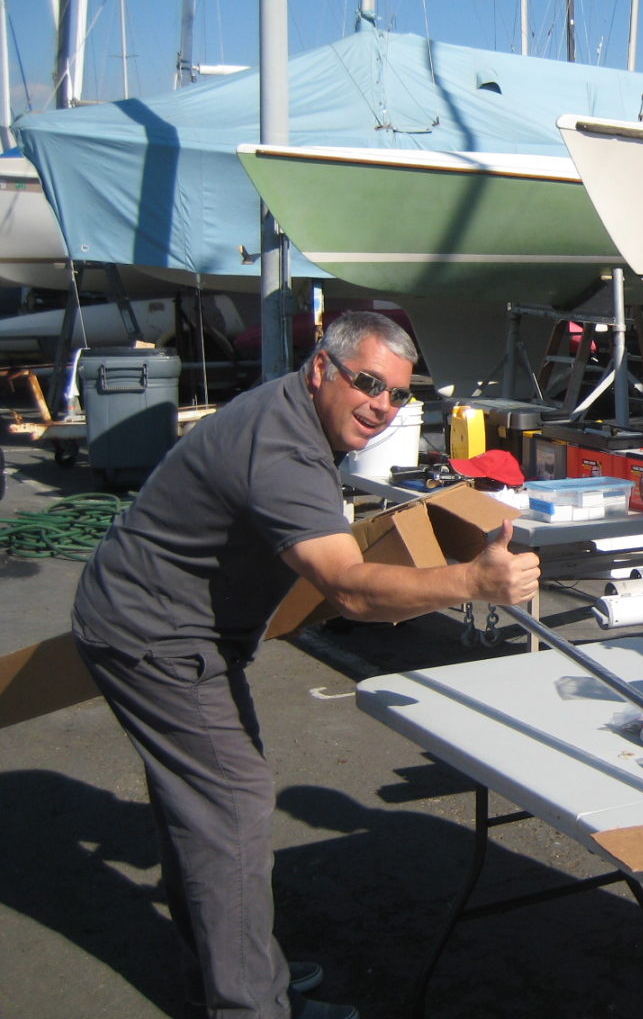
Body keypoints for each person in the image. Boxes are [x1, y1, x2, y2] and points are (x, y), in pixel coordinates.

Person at [71, 311, 541, 1019]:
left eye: (397, 396)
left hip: (162, 622)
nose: (381, 406)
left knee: (198, 808)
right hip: (158, 638)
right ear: (322, 368)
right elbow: (350, 588)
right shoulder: (285, 449)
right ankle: (250, 1003)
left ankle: (231, 967)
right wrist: (473, 584)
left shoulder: (293, 415)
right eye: (367, 383)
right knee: (231, 804)